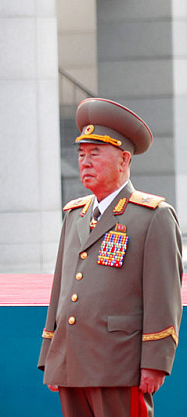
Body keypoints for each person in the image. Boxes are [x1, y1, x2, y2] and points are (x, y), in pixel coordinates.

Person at [38, 98, 183, 417]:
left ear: (124, 159)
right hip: (72, 359)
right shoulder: (75, 214)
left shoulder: (152, 216)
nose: (85, 162)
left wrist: (155, 362)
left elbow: (164, 296)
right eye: (81, 154)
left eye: (95, 153)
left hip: (120, 362)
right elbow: (61, 289)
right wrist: (52, 351)